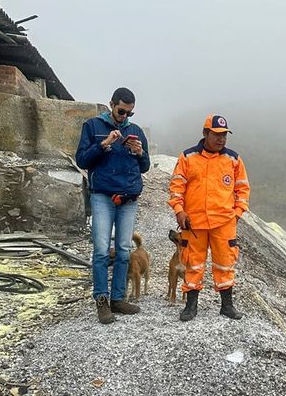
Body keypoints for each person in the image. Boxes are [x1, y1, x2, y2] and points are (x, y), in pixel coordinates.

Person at [75, 87, 150, 324]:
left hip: (128, 198)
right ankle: (101, 301)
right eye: (121, 111)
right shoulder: (93, 126)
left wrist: (139, 153)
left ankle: (118, 299)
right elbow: (82, 160)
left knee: (124, 250)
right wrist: (104, 144)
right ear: (111, 105)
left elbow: (145, 166)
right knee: (100, 251)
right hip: (103, 196)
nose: (125, 116)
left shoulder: (135, 131)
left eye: (130, 113)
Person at [168, 114, 250, 321]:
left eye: (224, 135)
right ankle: (191, 306)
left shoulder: (233, 159)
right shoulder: (187, 157)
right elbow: (177, 187)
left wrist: (237, 213)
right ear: (205, 133)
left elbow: (243, 189)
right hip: (193, 223)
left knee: (225, 263)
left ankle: (227, 306)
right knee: (192, 263)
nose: (221, 139)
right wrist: (179, 210)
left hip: (224, 222)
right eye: (217, 135)